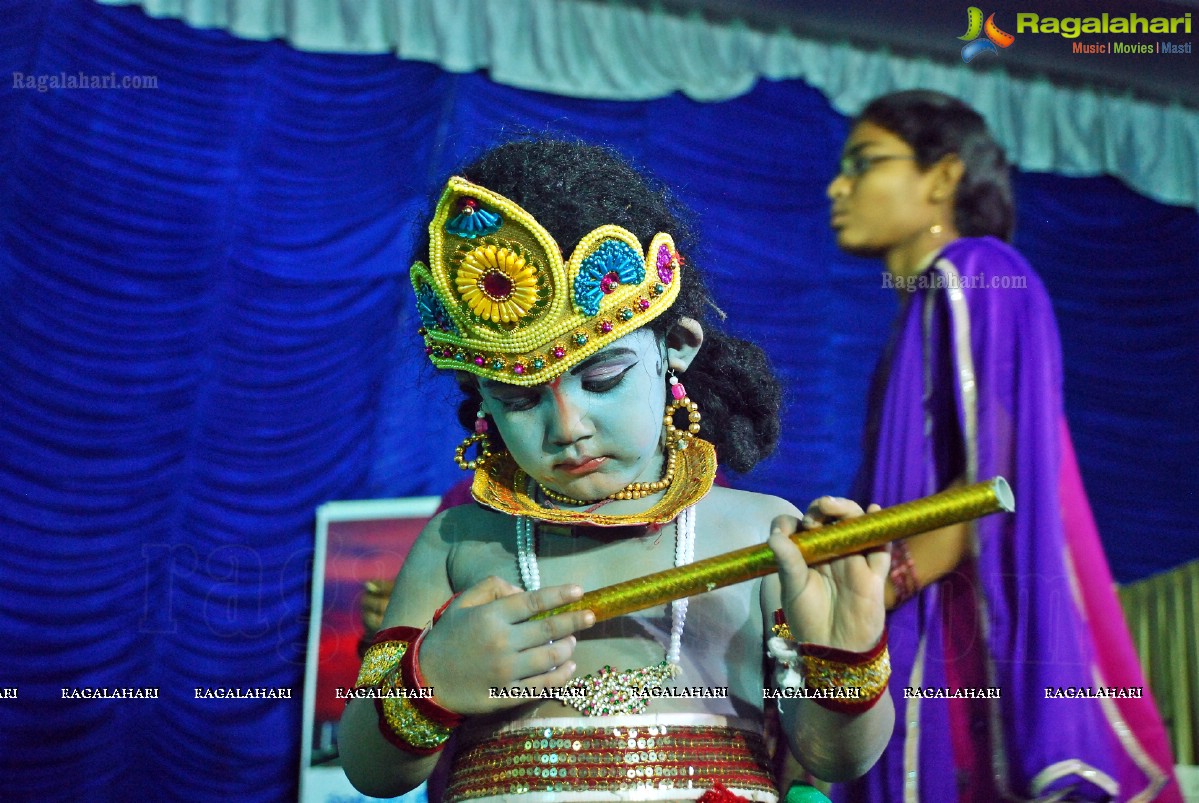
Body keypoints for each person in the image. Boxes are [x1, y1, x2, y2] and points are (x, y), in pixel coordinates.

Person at [339, 138, 896, 802]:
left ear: (677, 348)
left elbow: (833, 760)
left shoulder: (761, 533)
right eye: (518, 398)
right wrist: (428, 682)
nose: (567, 426)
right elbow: (368, 772)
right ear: (480, 399)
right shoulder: (458, 543)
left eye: (602, 378)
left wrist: (846, 661)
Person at [826, 89, 1180, 801]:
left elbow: (996, 483)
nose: (837, 185)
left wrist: (871, 590)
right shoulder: (928, 301)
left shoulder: (979, 274)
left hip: (966, 652)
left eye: (863, 162)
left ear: (943, 175)